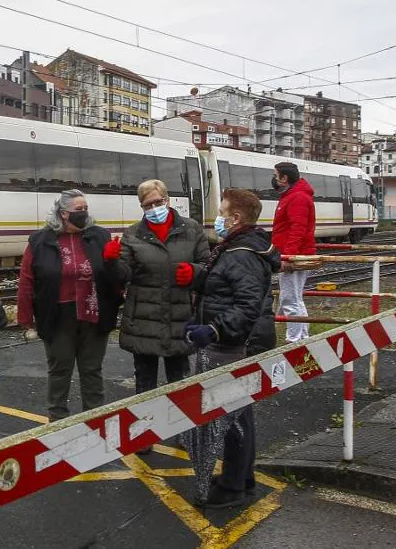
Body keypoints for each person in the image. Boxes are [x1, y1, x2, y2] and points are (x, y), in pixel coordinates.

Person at [185, 188, 280, 508]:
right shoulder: (239, 247)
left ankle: (233, 488)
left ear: (236, 218)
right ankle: (241, 477)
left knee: (232, 418)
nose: (218, 217)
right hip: (234, 341)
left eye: (222, 210)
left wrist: (213, 329)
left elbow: (247, 305)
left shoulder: (242, 253)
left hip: (234, 345)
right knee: (238, 414)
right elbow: (226, 289)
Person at [108, 179, 208, 454]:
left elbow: (208, 265)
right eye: (147, 204)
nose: (154, 208)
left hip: (179, 315)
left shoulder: (192, 229)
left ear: (167, 199)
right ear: (141, 206)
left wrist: (195, 272)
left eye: (157, 202)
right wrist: (112, 262)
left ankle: (183, 432)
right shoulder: (133, 234)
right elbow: (123, 276)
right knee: (145, 380)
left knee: (180, 378)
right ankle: (143, 434)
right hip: (144, 319)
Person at [17, 190, 123, 421]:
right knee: (59, 371)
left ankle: (95, 419)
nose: (84, 213)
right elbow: (27, 280)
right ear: (64, 214)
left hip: (94, 314)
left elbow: (116, 275)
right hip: (57, 316)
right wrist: (25, 318)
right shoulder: (40, 241)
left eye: (85, 209)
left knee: (92, 371)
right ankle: (58, 422)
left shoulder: (100, 236)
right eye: (79, 210)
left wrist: (115, 263)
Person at [270, 162, 317, 343]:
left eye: (276, 176)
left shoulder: (296, 198)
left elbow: (298, 228)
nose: (274, 179)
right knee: (295, 298)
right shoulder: (294, 196)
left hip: (293, 256)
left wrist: (288, 256)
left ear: (284, 178)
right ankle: (301, 336)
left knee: (290, 299)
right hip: (295, 254)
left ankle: (295, 340)